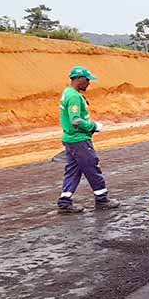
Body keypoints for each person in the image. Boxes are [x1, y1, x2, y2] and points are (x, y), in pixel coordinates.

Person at [56, 66, 120, 213]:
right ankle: (102, 199)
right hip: (79, 140)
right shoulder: (74, 97)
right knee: (92, 167)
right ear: (79, 79)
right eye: (87, 80)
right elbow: (76, 120)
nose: (89, 83)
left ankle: (65, 202)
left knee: (73, 170)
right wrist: (93, 126)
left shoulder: (68, 92)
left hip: (71, 139)